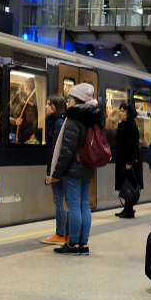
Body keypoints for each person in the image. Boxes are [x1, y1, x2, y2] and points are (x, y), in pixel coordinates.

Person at [47, 83, 104, 255]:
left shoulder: (74, 118)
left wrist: (56, 173)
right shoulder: (96, 116)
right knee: (84, 205)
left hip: (73, 168)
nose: (68, 101)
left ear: (78, 99)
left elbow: (66, 149)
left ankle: (72, 244)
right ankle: (83, 244)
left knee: (73, 206)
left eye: (70, 98)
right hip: (88, 167)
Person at [41, 94, 69, 245]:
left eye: (48, 104)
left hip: (57, 169)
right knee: (63, 201)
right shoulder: (59, 121)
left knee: (59, 201)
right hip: (61, 168)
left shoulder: (58, 123)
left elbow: (55, 151)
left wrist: (50, 173)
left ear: (55, 107)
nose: (45, 107)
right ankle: (64, 233)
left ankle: (60, 234)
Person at [113, 102, 141, 218]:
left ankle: (129, 210)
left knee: (129, 184)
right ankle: (126, 208)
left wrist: (129, 162)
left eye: (123, 111)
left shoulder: (131, 126)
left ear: (128, 113)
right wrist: (119, 124)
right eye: (120, 110)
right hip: (123, 159)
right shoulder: (125, 124)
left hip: (129, 161)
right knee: (125, 184)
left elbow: (133, 146)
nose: (120, 113)